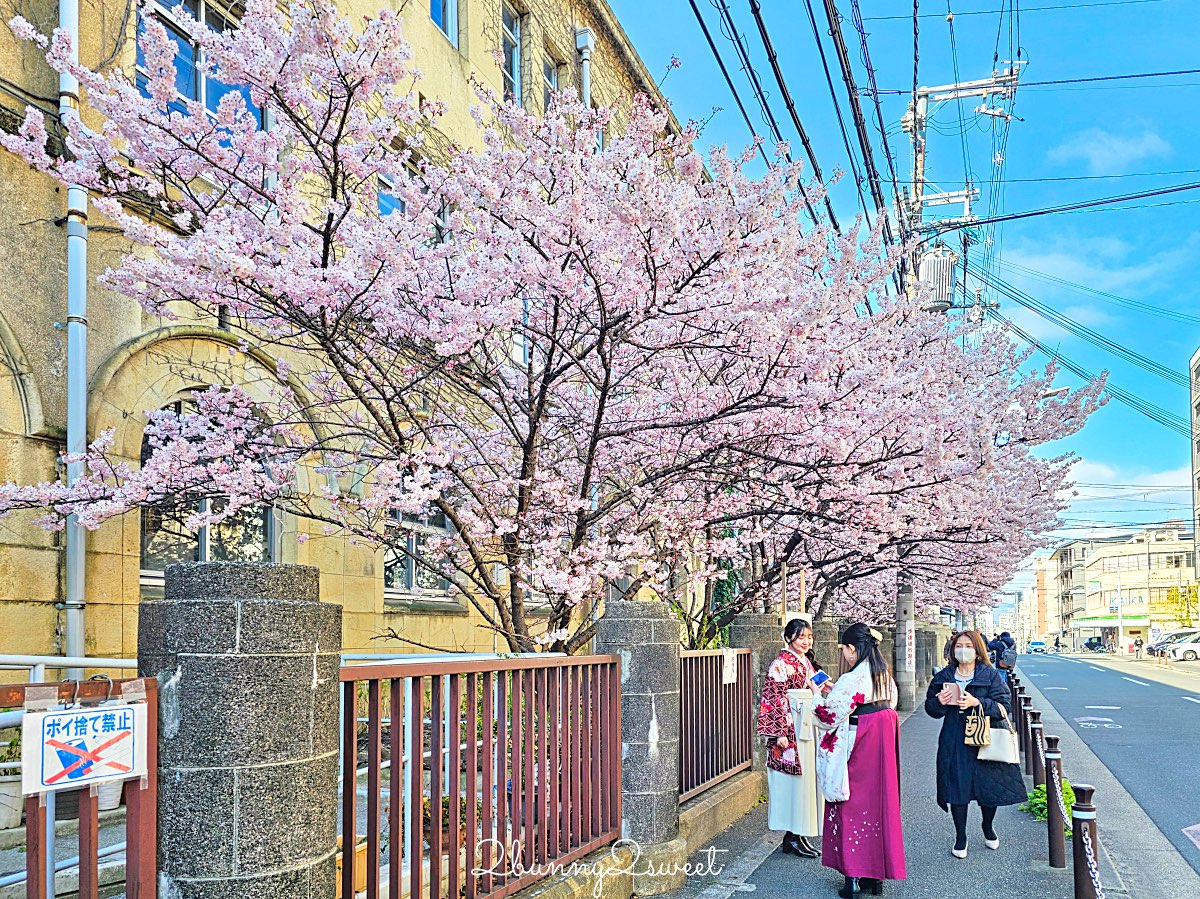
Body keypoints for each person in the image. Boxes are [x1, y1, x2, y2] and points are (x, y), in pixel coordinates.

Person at [813, 623, 906, 897]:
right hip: (882, 739)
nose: (844, 654)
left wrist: (815, 695)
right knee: (878, 803)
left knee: (850, 800)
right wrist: (837, 691)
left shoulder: (852, 678)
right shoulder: (883, 674)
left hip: (859, 742)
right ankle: (875, 876)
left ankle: (852, 876)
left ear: (852, 649)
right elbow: (885, 702)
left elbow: (828, 716)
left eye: (844, 649)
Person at [925, 630, 1025, 859]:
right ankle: (960, 836)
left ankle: (987, 826)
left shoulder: (990, 675)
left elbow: (1004, 706)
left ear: (978, 651)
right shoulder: (944, 676)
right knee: (957, 788)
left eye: (969, 646)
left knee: (988, 787)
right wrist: (939, 702)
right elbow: (931, 709)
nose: (963, 650)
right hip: (954, 738)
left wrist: (977, 702)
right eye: (959, 646)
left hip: (985, 738)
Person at [757, 616, 829, 859]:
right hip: (791, 725)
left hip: (806, 721)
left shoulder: (805, 662)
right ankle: (792, 834)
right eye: (800, 637)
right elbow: (774, 697)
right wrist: (779, 732)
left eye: (809, 637)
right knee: (794, 782)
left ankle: (799, 833)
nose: (806, 641)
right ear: (788, 638)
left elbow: (816, 685)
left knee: (807, 779)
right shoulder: (780, 664)